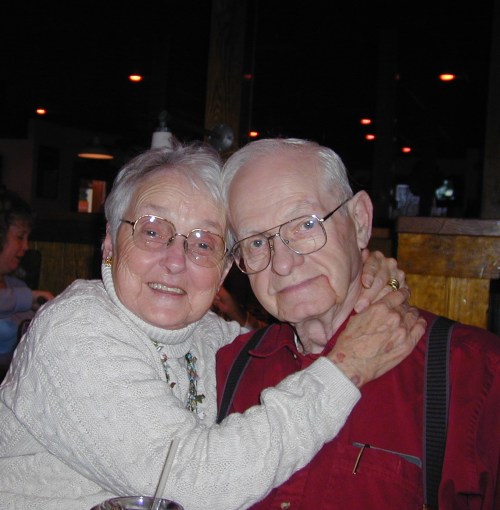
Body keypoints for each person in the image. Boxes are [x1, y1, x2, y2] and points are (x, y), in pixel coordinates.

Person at [0, 142, 424, 510]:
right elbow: (191, 484)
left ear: (224, 268)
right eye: (152, 231)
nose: (175, 260)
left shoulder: (211, 336)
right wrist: (347, 367)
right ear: (110, 242)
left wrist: (370, 279)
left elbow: (295, 345)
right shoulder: (75, 329)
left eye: (204, 243)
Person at [216, 138, 500, 509]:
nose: (282, 263)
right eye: (256, 242)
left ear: (360, 221)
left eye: (305, 225)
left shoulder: (474, 371)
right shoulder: (227, 367)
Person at [0, 188, 54, 356]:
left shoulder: (18, 286)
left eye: (27, 238)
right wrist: (29, 298)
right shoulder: (24, 296)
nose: (26, 247)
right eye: (20, 237)